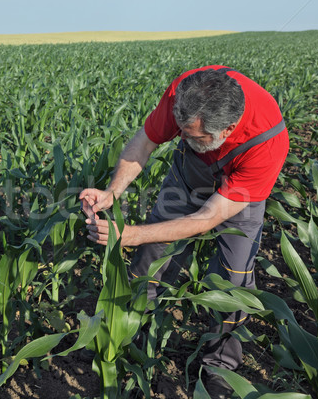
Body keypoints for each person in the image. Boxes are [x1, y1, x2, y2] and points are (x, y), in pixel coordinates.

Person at [79, 65, 289, 397]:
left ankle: (220, 369)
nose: (182, 138)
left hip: (241, 197)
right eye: (181, 131)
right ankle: (124, 335)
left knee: (234, 280)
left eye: (193, 136)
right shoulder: (186, 93)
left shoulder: (267, 141)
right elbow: (146, 140)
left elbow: (206, 219)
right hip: (189, 174)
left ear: (228, 129)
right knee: (151, 257)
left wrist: (130, 234)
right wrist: (112, 192)